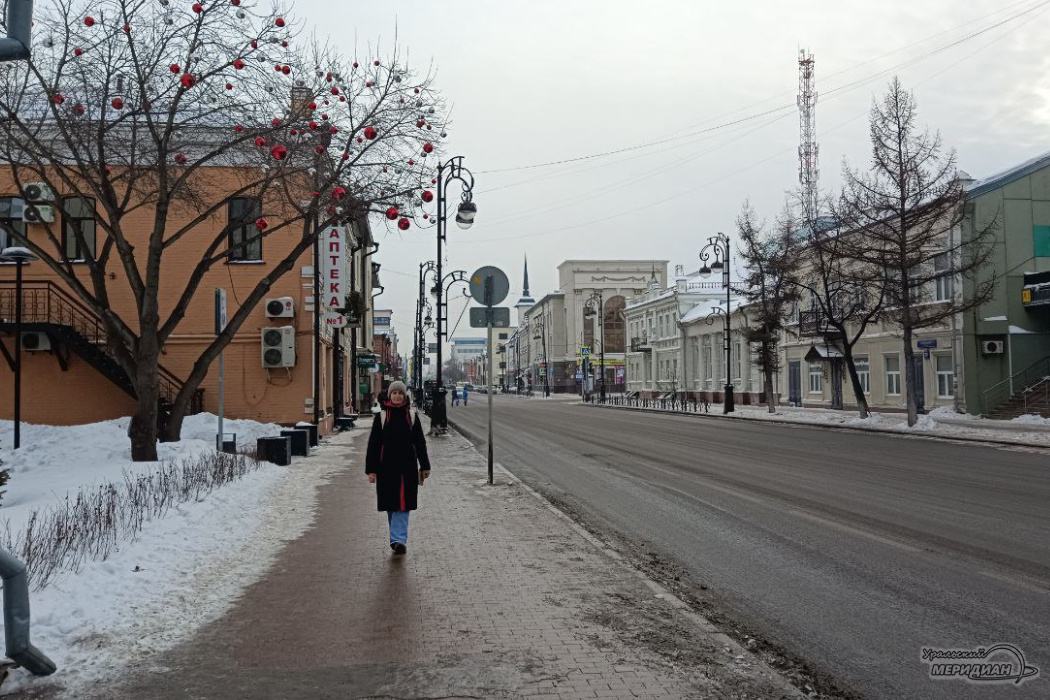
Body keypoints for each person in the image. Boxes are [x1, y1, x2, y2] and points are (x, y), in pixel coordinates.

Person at [365, 381, 431, 555]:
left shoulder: (411, 416)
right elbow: (374, 445)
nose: (397, 396)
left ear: (404, 396)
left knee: (403, 504)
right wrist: (371, 470)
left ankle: (398, 539)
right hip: (386, 468)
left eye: (400, 393)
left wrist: (424, 465)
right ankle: (396, 538)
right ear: (390, 395)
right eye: (394, 393)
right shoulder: (382, 417)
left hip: (407, 467)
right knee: (392, 504)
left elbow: (420, 443)